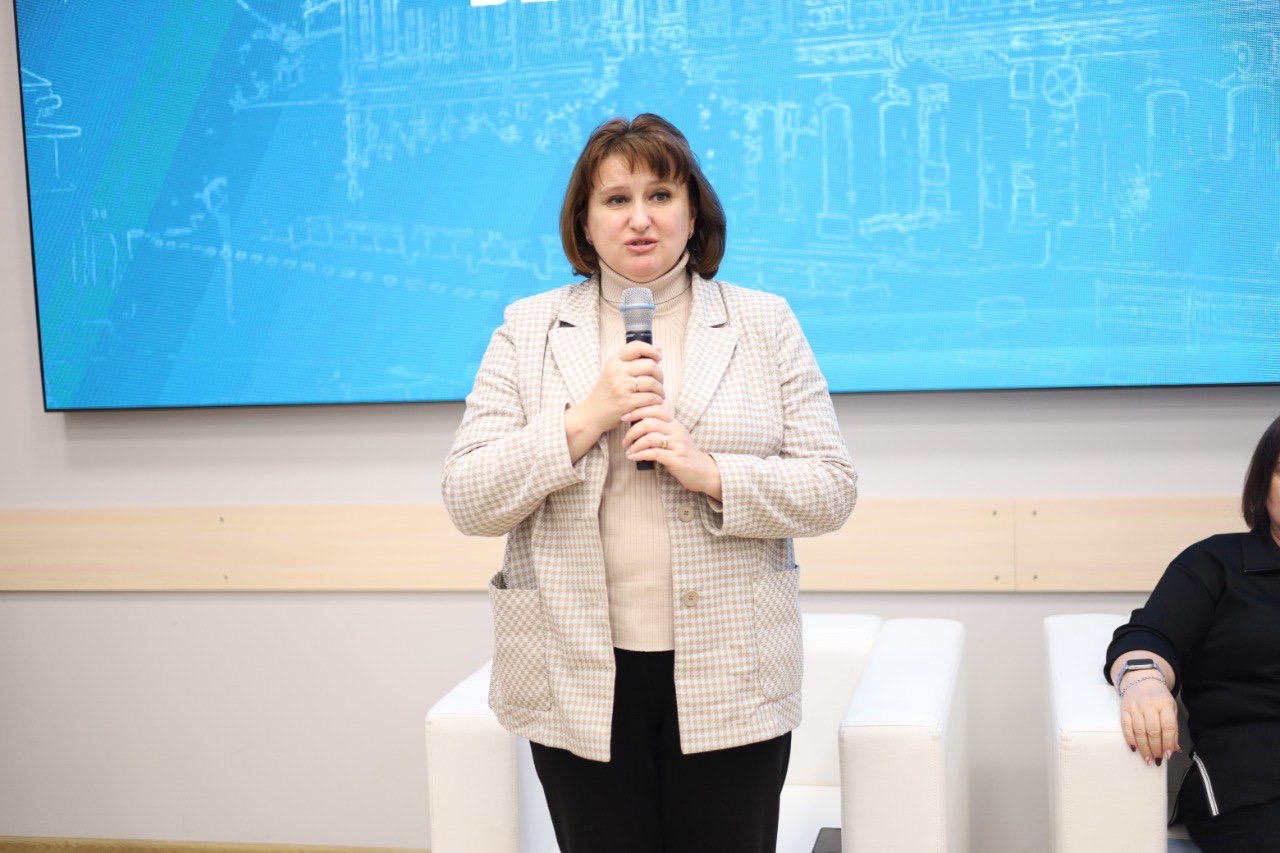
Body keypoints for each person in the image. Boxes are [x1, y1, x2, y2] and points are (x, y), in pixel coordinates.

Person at [442, 114, 857, 853]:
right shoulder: (527, 329)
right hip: (576, 670)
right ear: (584, 222)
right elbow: (468, 496)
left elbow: (832, 486)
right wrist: (584, 419)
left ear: (694, 213)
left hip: (732, 669)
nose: (640, 218)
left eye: (660, 195)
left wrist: (712, 473)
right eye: (616, 199)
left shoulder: (764, 323)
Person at [1105, 414, 1280, 852]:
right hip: (1250, 788)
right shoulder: (1215, 563)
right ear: (1264, 482)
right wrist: (1144, 683)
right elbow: (1147, 637)